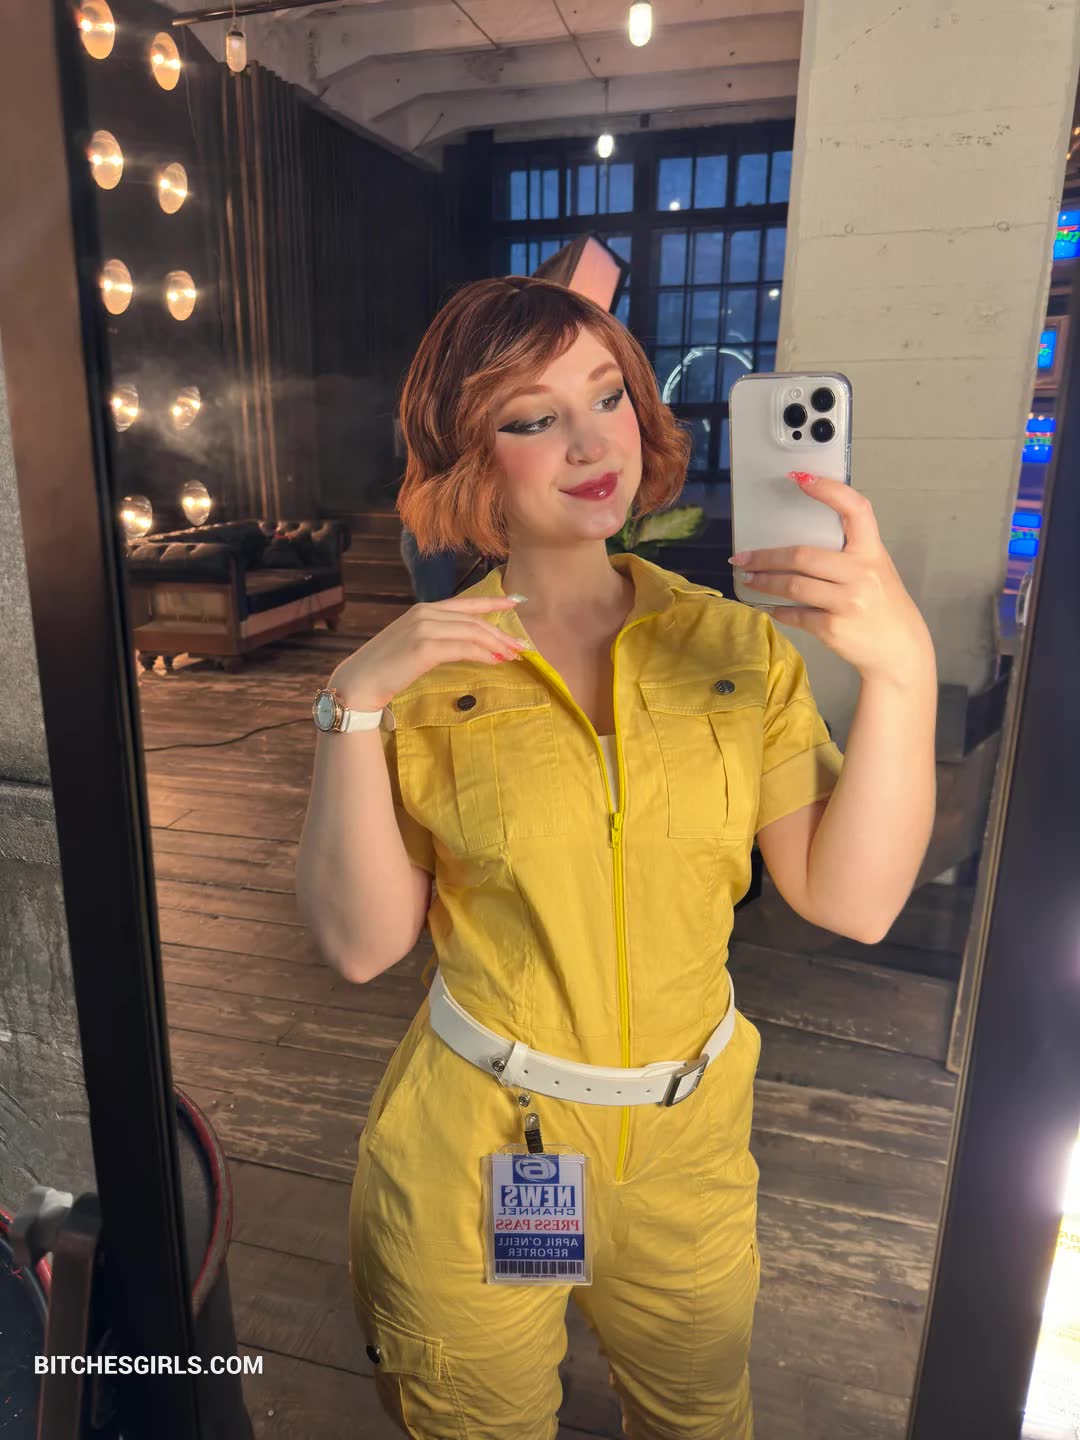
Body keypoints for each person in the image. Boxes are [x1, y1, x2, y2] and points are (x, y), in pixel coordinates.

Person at [295, 277, 938, 1438]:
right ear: (468, 457)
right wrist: (352, 700)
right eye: (531, 418)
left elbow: (854, 901)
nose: (593, 443)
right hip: (488, 1140)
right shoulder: (424, 674)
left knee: (700, 1418)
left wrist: (903, 674)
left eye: (608, 397)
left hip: (689, 1145)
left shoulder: (735, 649)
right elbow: (360, 946)